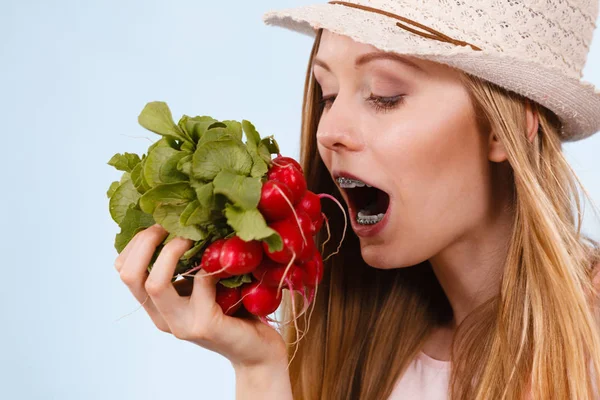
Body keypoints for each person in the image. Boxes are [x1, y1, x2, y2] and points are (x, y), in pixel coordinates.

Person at [114, 0, 600, 399]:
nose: (329, 132)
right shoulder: (366, 358)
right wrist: (257, 367)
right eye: (326, 95)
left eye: (385, 95)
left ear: (508, 126)